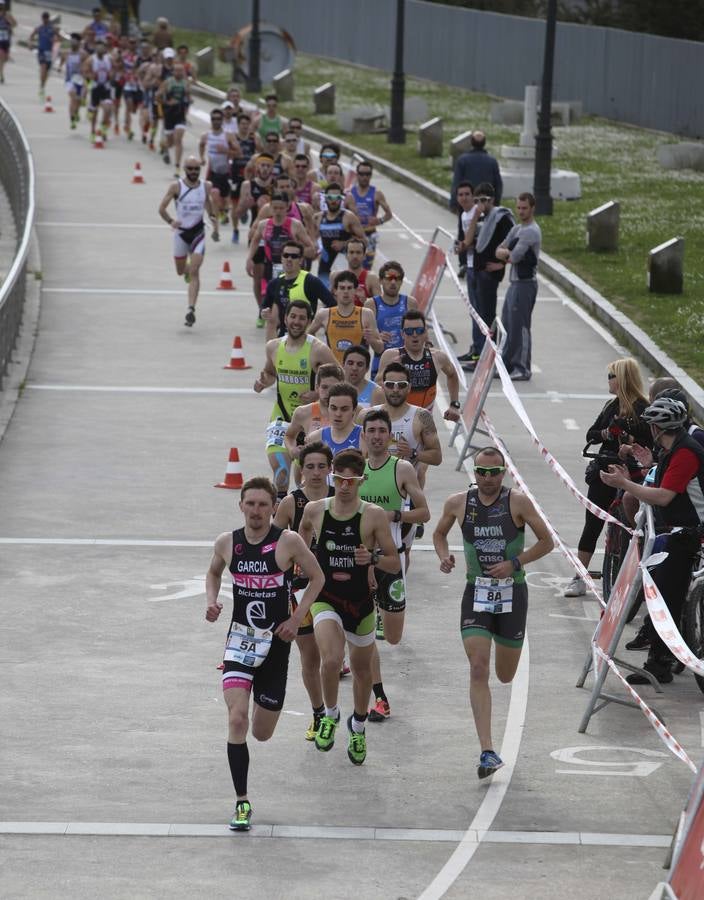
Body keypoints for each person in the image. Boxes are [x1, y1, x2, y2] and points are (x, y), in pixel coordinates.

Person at [206, 476, 324, 832]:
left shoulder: (287, 542)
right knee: (237, 721)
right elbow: (212, 572)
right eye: (250, 504)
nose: (256, 511)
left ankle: (263, 701)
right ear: (240, 505)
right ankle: (242, 802)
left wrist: (297, 616)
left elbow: (317, 579)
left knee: (261, 732)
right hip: (239, 641)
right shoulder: (228, 542)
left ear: (274, 507)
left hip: (275, 646)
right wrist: (211, 602)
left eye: (263, 505)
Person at [433, 446, 553, 778]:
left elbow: (547, 542)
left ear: (504, 472)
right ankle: (487, 750)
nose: (487, 478)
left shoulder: (518, 502)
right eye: (481, 472)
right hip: (476, 593)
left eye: (493, 472)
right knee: (477, 668)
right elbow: (439, 532)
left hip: (512, 594)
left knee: (504, 675)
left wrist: (515, 563)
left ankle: (489, 746)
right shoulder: (458, 503)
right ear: (474, 473)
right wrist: (443, 556)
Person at [299, 449, 401, 764]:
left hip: (360, 602)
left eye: (351, 482)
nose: (344, 487)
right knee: (330, 661)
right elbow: (300, 531)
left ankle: (357, 726)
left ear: (361, 480)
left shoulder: (372, 515)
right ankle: (329, 715)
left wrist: (371, 559)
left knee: (360, 670)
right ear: (333, 477)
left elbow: (394, 561)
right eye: (340, 480)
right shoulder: (316, 510)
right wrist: (302, 561)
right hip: (325, 596)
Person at [601, 397, 704, 685]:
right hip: (681, 529)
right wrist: (649, 468)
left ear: (660, 427)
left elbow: (664, 496)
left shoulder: (686, 453)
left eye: (651, 425)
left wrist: (624, 485)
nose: (650, 429)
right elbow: (666, 484)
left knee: (665, 594)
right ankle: (668, 652)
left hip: (690, 532)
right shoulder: (672, 449)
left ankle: (659, 663)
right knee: (665, 587)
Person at [359, 408, 430, 721]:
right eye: (370, 431)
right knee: (365, 637)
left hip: (392, 560)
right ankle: (379, 696)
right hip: (361, 562)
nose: (376, 436)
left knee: (394, 636)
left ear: (389, 436)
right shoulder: (354, 470)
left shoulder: (401, 469)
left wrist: (394, 516)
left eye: (380, 431)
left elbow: (424, 513)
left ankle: (378, 618)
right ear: (363, 435)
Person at [564, 358, 651, 598]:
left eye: (611, 376)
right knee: (592, 523)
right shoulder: (610, 407)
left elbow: (650, 441)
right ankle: (579, 576)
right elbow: (591, 433)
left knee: (632, 527)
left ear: (622, 378)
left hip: (632, 474)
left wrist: (630, 440)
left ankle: (636, 576)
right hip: (605, 470)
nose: (608, 381)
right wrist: (607, 433)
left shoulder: (643, 409)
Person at [274, 442, 334, 741]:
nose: (315, 472)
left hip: (339, 589)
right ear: (302, 469)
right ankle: (319, 713)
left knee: (334, 657)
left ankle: (358, 707)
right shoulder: (291, 504)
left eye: (321, 466)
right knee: (311, 658)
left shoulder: (342, 499)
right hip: (301, 591)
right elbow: (273, 548)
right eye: (309, 466)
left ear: (330, 469)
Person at [254, 301, 337, 498]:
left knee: (307, 480)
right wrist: (264, 382)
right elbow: (270, 372)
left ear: (309, 321)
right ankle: (280, 520)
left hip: (310, 420)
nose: (296, 322)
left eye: (302, 318)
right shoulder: (273, 346)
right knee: (281, 470)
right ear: (285, 318)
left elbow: (339, 379)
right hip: (282, 417)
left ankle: (303, 513)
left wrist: (317, 394)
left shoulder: (318, 349)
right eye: (293, 316)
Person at [158, 156, 218, 327]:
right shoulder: (176, 186)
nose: (193, 172)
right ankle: (186, 270)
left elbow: (209, 204)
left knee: (195, 270)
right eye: (190, 169)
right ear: (184, 169)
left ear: (200, 170)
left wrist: (215, 224)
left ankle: (191, 309)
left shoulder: (206, 186)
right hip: (180, 234)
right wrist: (171, 221)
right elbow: (161, 208)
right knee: (181, 270)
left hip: (198, 233)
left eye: (196, 169)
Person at [461, 183, 514, 371]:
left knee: (487, 317)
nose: (480, 204)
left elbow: (515, 243)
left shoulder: (502, 218)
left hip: (489, 275)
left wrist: (502, 263)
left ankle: (491, 357)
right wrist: (475, 216)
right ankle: (480, 354)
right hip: (477, 272)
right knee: (479, 316)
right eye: (476, 201)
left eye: (483, 200)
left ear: (492, 199)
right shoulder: (483, 219)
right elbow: (468, 240)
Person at [373, 309, 461, 421]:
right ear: (402, 334)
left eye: (419, 330)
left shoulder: (438, 357)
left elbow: (452, 375)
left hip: (424, 424)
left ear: (425, 333)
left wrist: (454, 404)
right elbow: (377, 387)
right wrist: (391, 372)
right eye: (409, 331)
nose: (414, 335)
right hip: (396, 422)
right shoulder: (390, 355)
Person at [496, 193, 542, 381]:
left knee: (520, 326)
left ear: (532, 208)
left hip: (525, 284)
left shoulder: (531, 231)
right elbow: (499, 250)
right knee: (508, 324)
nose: (521, 211)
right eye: (519, 208)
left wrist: (506, 253)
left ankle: (522, 367)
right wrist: (507, 253)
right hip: (514, 282)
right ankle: (507, 364)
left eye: (525, 208)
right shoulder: (517, 229)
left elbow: (513, 257)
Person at [260, 240, 334, 340]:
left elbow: (332, 305)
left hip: (305, 340)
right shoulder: (274, 283)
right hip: (282, 339)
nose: (289, 259)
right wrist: (264, 313)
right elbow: (265, 307)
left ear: (301, 260)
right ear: (281, 258)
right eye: (286, 255)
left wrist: (317, 324)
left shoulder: (311, 281)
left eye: (294, 256)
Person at [308, 270, 383, 365]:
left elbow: (380, 348)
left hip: (356, 373)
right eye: (342, 288)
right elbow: (308, 335)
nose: (346, 292)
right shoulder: (325, 314)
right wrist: (319, 350)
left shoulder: (366, 314)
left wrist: (371, 339)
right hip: (333, 372)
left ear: (356, 290)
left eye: (349, 288)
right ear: (335, 291)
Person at [283, 363, 344, 477]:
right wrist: (292, 450)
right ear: (317, 387)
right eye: (324, 387)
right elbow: (289, 436)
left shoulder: (353, 412)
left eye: (333, 388)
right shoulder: (303, 412)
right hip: (312, 475)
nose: (328, 392)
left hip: (340, 474)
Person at [246, 193, 314, 287]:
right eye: (275, 208)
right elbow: (255, 241)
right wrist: (249, 259)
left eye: (281, 208)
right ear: (270, 207)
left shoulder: (295, 225)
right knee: (272, 299)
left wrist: (296, 255)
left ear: (287, 207)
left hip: (292, 268)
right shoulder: (263, 225)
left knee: (291, 299)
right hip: (271, 267)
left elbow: (310, 247)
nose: (278, 211)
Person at [365, 261, 418, 379]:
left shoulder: (410, 302)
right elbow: (370, 341)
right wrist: (377, 336)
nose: (393, 282)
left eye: (397, 278)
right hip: (381, 363)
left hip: (407, 364)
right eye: (389, 278)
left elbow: (420, 334)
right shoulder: (371, 304)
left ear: (401, 281)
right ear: (380, 280)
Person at [198, 107, 240, 234]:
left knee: (225, 201)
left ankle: (223, 212)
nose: (216, 121)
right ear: (210, 120)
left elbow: (239, 153)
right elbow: (201, 145)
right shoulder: (206, 135)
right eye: (213, 119)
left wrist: (226, 151)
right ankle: (216, 229)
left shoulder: (228, 136)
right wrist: (202, 158)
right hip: (213, 172)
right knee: (214, 196)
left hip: (226, 173)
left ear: (222, 120)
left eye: (218, 119)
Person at [315, 184, 366, 287]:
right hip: (325, 265)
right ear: (324, 198)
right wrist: (317, 248)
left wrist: (344, 244)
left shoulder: (349, 217)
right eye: (330, 197)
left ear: (342, 199)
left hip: (345, 263)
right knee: (327, 298)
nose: (333, 201)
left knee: (345, 295)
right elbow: (312, 239)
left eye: (337, 198)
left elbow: (364, 240)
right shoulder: (318, 217)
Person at [453, 182, 482, 363]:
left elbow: (478, 241)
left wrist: (464, 246)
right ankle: (476, 347)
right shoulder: (463, 214)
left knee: (480, 311)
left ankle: (480, 351)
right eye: (460, 194)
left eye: (467, 194)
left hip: (479, 267)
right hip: (470, 265)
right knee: (473, 311)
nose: (464, 198)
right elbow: (463, 239)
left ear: (473, 196)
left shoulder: (477, 214)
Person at [347, 161, 393, 271]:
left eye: (367, 174)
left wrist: (379, 220)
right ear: (357, 175)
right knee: (352, 268)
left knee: (366, 269)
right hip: (353, 236)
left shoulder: (377, 193)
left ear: (371, 175)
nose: (364, 177)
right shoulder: (350, 193)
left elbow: (389, 214)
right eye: (362, 174)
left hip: (369, 235)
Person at [450, 130, 502, 210]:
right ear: (484, 143)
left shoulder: (462, 160)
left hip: (467, 204)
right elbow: (498, 184)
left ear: (471, 142)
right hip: (486, 204)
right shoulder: (492, 161)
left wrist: (453, 203)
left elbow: (457, 183)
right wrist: (496, 203)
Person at [308, 384, 364, 456]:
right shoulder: (315, 438)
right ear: (328, 408)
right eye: (333, 408)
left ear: (354, 410)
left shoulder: (364, 436)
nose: (338, 414)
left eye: (344, 409)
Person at [156, 61, 190, 176]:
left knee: (178, 139)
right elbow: (158, 96)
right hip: (169, 114)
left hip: (180, 115)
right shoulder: (167, 83)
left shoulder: (186, 83)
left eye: (181, 70)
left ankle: (177, 167)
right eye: (177, 70)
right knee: (170, 142)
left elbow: (188, 99)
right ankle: (165, 148)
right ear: (173, 71)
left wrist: (187, 104)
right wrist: (167, 102)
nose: (179, 72)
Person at [229, 112, 257, 243]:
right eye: (242, 124)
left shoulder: (253, 138)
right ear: (238, 125)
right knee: (234, 203)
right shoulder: (233, 138)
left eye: (247, 124)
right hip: (236, 173)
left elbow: (261, 151)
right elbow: (227, 155)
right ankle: (235, 230)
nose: (245, 126)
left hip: (251, 174)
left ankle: (247, 215)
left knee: (251, 200)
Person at [83, 39, 113, 142]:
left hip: (106, 86)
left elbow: (115, 69)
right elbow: (85, 72)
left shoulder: (109, 58)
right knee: (95, 112)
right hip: (95, 87)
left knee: (108, 109)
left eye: (102, 46)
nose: (100, 48)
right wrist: (91, 76)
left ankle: (103, 129)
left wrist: (111, 75)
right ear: (96, 48)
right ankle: (92, 132)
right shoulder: (91, 59)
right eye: (98, 46)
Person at [61, 33, 87, 130]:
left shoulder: (83, 54)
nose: (72, 42)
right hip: (69, 79)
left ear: (79, 43)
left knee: (78, 99)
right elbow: (63, 60)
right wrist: (60, 66)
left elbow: (87, 65)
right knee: (73, 96)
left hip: (79, 79)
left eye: (75, 40)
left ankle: (76, 112)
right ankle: (72, 119)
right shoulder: (67, 53)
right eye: (71, 40)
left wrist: (85, 76)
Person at [345, 237, 380, 307]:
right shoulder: (336, 277)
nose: (355, 256)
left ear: (364, 256)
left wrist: (365, 300)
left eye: (358, 252)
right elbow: (328, 305)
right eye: (351, 252)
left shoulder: (372, 278)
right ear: (346, 255)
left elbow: (380, 307)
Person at [30, 11, 57, 97]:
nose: (45, 19)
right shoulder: (39, 28)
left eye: (46, 18)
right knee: (43, 67)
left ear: (48, 18)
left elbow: (59, 38)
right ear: (42, 19)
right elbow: (32, 36)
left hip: (49, 52)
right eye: (44, 18)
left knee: (47, 72)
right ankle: (41, 86)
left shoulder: (52, 28)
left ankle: (42, 86)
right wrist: (31, 43)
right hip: (41, 51)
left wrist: (55, 40)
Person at [343, 345, 376, 409]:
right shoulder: (333, 389)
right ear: (343, 365)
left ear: (367, 368)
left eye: (360, 364)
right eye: (350, 363)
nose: (354, 368)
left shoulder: (376, 392)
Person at [0, 2, 17, 85]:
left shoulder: (8, 15)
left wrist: (9, 21)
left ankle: (1, 72)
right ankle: (1, 74)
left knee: (5, 58)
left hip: (6, 40)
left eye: (1, 6)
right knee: (1, 56)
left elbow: (15, 24)